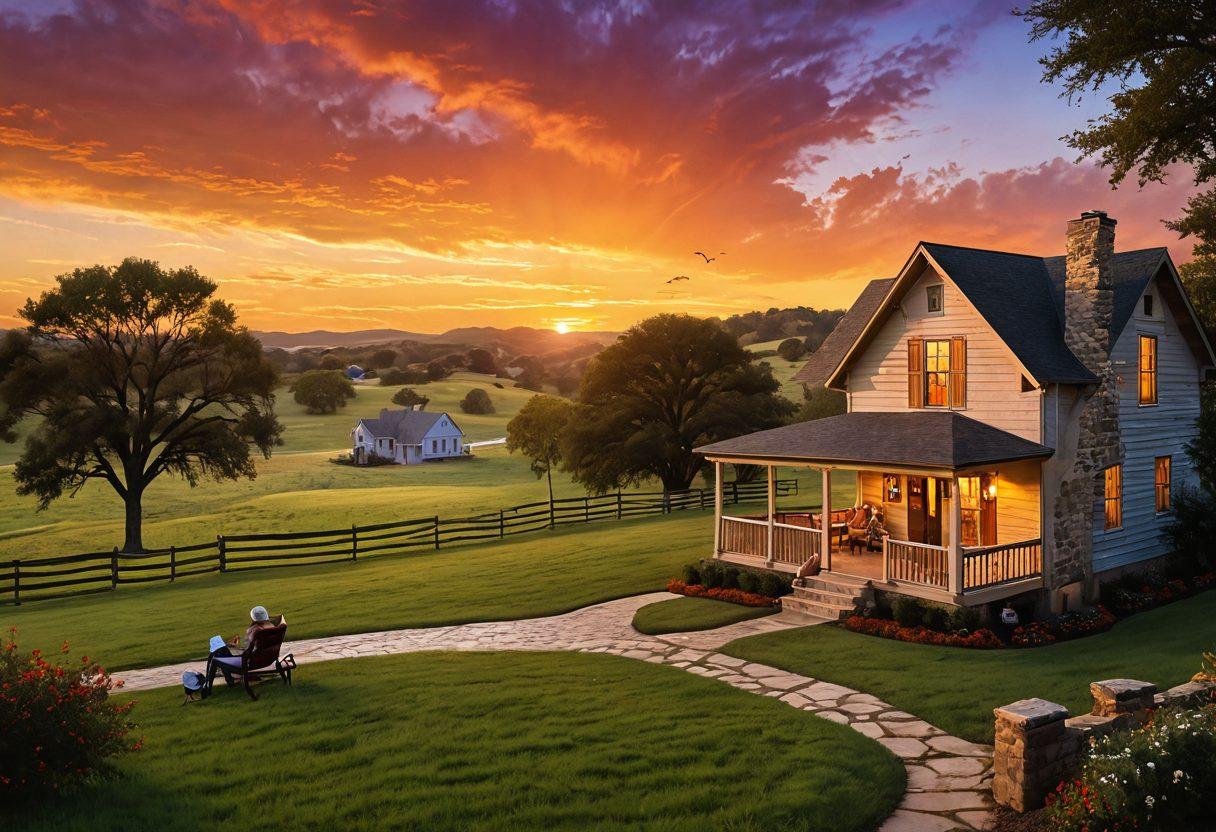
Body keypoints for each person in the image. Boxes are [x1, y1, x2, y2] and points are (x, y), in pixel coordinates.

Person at [205, 605, 281, 690]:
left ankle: (208, 688)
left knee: (216, 655)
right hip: (265, 659)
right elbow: (253, 647)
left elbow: (246, 649)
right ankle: (229, 681)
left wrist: (233, 645)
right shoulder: (274, 629)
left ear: (253, 619)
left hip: (247, 663)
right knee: (219, 650)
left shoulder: (256, 631)